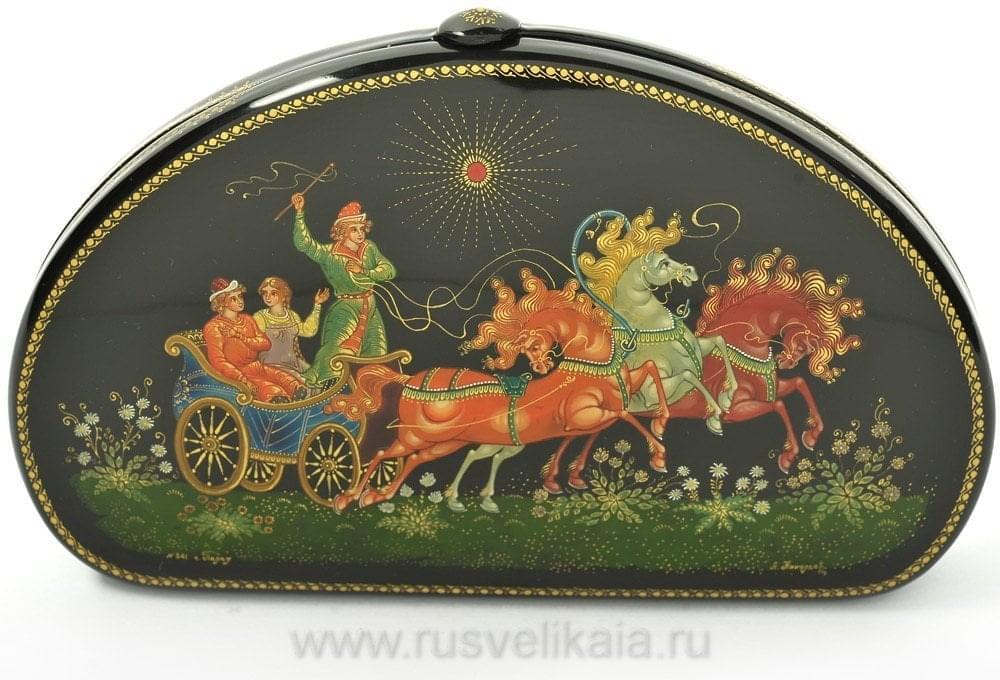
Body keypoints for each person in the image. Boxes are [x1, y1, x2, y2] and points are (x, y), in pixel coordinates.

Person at [290, 192, 397, 387]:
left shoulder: (369, 248)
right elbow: (304, 244)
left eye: (362, 228)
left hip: (370, 306)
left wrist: (364, 270)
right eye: (354, 229)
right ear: (342, 231)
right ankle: (325, 385)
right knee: (335, 349)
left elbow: (389, 270)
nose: (360, 233)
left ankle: (371, 389)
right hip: (345, 308)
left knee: (376, 349)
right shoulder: (329, 253)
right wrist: (299, 213)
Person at [202, 277, 305, 403]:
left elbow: (265, 344)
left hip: (256, 367)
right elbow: (218, 361)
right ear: (222, 303)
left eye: (240, 296)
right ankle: (279, 401)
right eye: (233, 299)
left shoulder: (247, 319)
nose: (240, 301)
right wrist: (242, 379)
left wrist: (240, 336)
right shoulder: (214, 327)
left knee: (288, 380)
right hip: (236, 374)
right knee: (270, 389)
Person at [252, 276, 330, 378]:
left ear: (283, 295)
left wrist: (317, 305)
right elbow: (253, 344)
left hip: (293, 364)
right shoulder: (260, 317)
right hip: (271, 366)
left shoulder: (292, 315)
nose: (267, 296)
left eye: (273, 293)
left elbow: (308, 331)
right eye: (264, 293)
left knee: (318, 377)